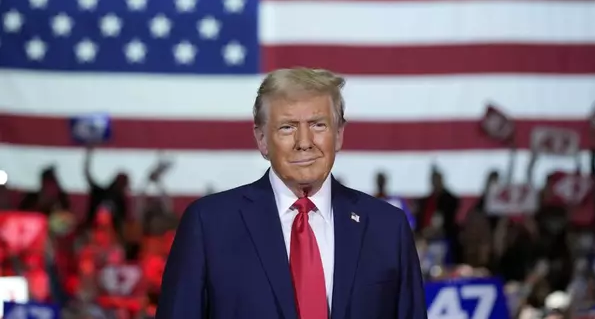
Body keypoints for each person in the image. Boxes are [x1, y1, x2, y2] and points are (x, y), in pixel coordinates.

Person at [157, 68, 426, 319]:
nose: (304, 142)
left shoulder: (388, 228)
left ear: (340, 134)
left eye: (318, 125)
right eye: (288, 127)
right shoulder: (209, 225)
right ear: (262, 139)